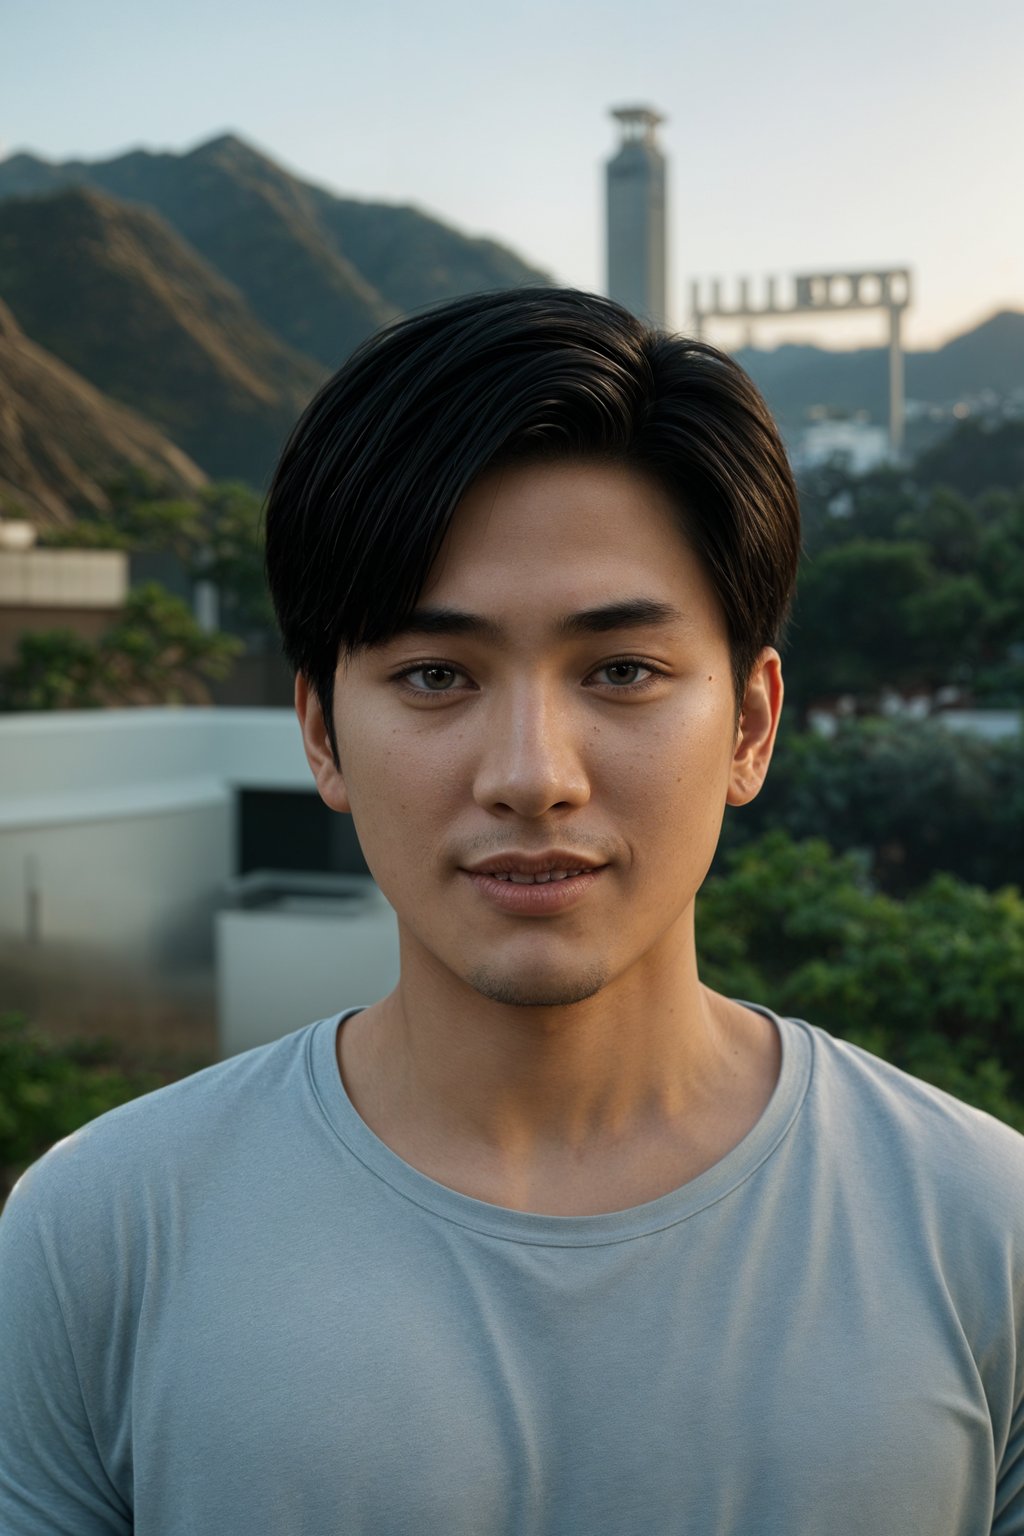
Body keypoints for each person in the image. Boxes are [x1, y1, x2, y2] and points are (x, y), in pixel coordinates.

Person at [0, 288, 1021, 1535]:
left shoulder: (986, 1233)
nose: (532, 772)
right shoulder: (97, 1236)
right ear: (322, 732)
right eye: (437, 676)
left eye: (621, 671)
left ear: (750, 723)